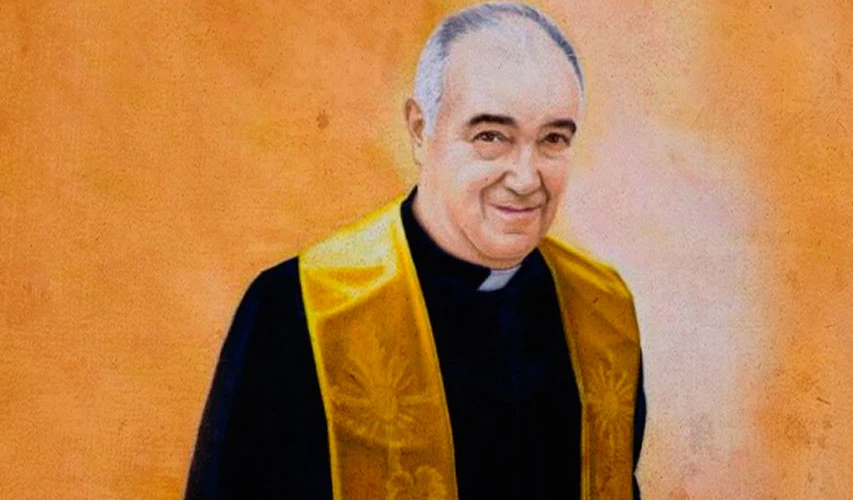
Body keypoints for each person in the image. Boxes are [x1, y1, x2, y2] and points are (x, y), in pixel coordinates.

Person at [185, 3, 646, 499]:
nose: (525, 178)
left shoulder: (602, 309)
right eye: (491, 136)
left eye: (553, 139)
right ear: (421, 130)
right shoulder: (300, 308)